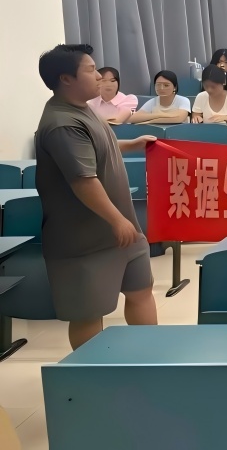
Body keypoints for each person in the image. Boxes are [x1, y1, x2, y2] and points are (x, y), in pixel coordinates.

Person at [35, 44, 158, 349]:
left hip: (122, 230)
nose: (100, 76)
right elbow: (83, 181)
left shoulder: (82, 108)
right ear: (66, 79)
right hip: (87, 240)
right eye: (91, 70)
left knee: (141, 290)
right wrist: (117, 220)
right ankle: (90, 372)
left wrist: (132, 144)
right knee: (88, 313)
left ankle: (150, 357)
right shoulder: (63, 123)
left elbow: (98, 146)